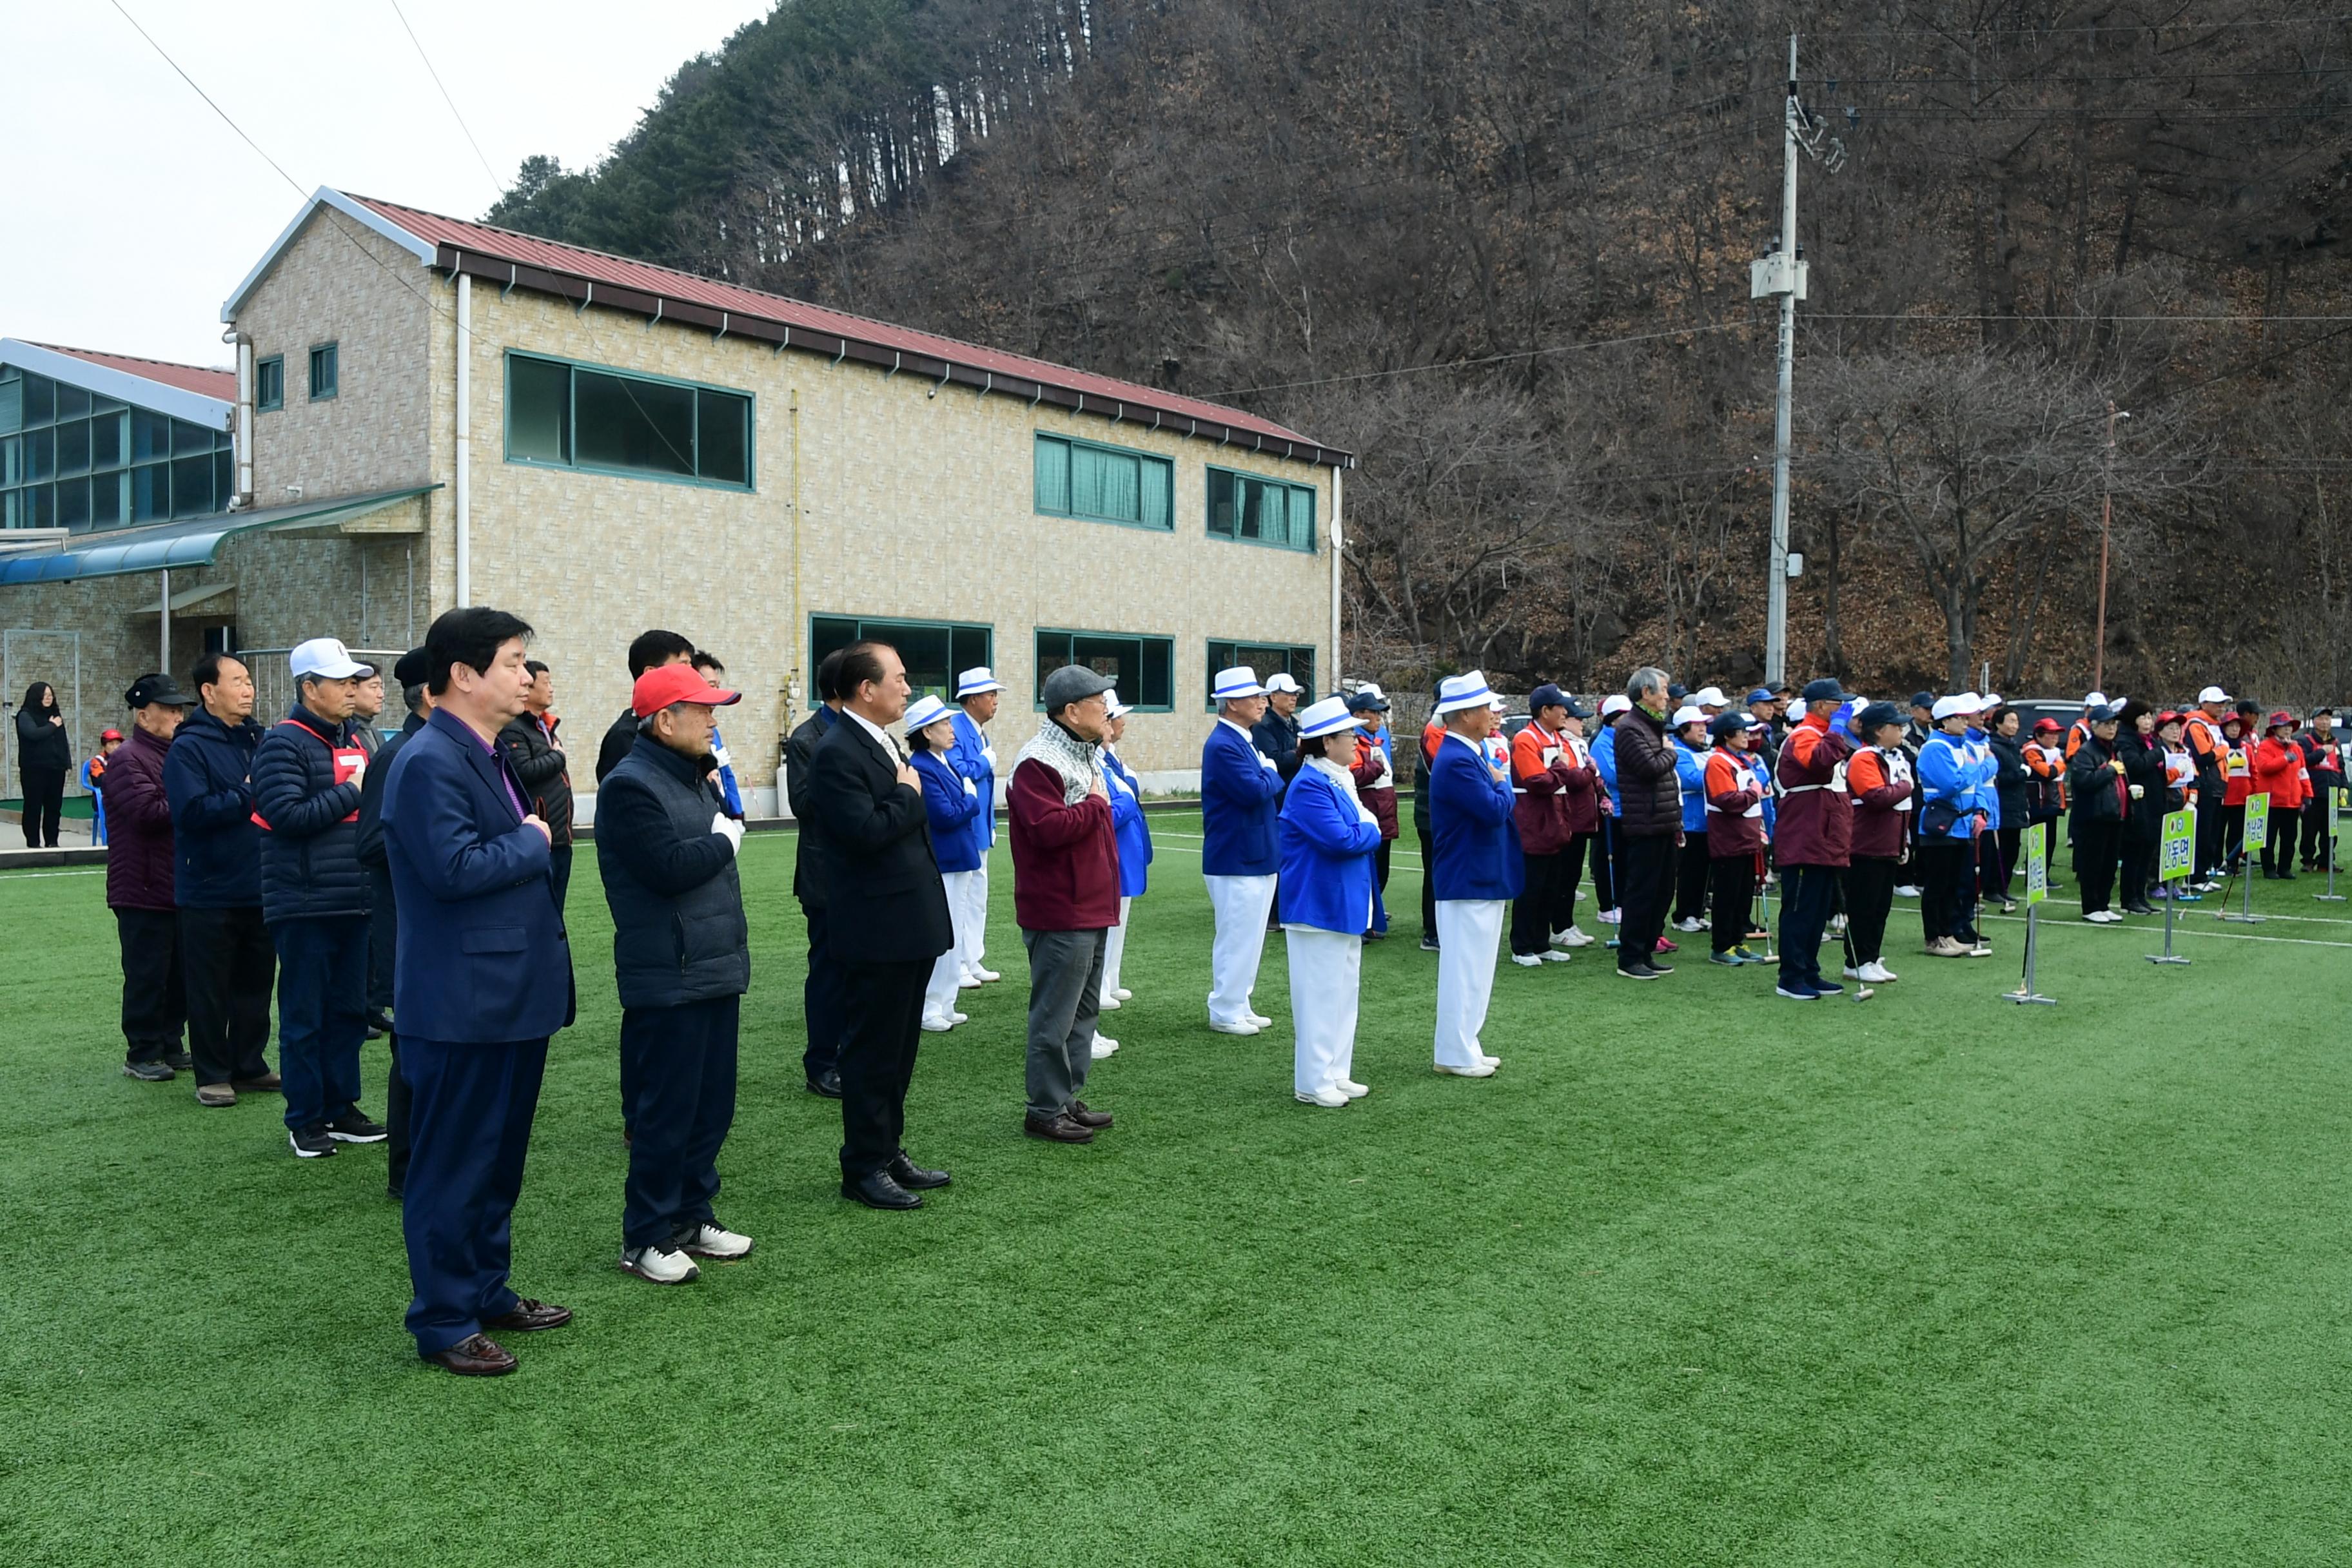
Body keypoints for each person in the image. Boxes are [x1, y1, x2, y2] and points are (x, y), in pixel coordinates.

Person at [382, 606, 573, 1376]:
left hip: (506, 995)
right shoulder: (429, 759)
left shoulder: (481, 749)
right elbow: (452, 869)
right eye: (514, 662)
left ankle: (487, 1289)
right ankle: (443, 1317)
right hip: (463, 1002)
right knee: (454, 1164)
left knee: (497, 1160)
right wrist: (530, 838)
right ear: (463, 674)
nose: (527, 676)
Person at [597, 660, 755, 1286]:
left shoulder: (692, 777)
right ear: (666, 719)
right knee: (667, 1112)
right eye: (704, 709)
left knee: (710, 1106)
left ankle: (691, 1214)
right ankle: (647, 1235)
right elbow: (665, 867)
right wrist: (723, 841)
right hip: (670, 973)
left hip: (711, 966)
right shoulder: (631, 784)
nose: (714, 720)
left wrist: (720, 831)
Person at [803, 641, 956, 1210]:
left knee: (900, 1047)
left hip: (905, 922)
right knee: (872, 1051)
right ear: (865, 689)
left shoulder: (878, 739)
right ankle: (863, 1165)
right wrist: (908, 793)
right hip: (877, 926)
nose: (907, 687)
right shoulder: (837, 751)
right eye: (898, 677)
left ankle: (889, 1150)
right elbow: (865, 831)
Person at [253, 638, 385, 1159]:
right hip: (303, 902)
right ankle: (304, 1118)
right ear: (309, 688)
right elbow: (285, 817)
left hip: (353, 897)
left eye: (354, 681)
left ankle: (341, 1106)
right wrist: (353, 792)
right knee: (306, 1016)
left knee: (349, 1012)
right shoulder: (282, 743)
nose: (352, 691)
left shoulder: (354, 735)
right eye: (341, 682)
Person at [1006, 665, 1122, 1143]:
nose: (1108, 710)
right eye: (1100, 702)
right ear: (1072, 711)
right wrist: (1096, 805)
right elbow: (1048, 830)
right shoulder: (1039, 761)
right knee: (1055, 1015)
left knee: (1082, 1014)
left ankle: (1066, 1098)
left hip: (1089, 904)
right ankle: (1044, 1108)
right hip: (1061, 909)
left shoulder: (1085, 751)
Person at [165, 652, 277, 1108]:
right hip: (209, 888)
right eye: (237, 681)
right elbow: (191, 813)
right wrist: (248, 791)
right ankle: (212, 1074)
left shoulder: (261, 739)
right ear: (209, 692)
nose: (248, 689)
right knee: (210, 988)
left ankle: (249, 1064)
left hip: (261, 882)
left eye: (249, 681)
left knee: (256, 984)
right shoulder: (188, 748)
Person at [1281, 696, 1384, 1106]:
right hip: (1317, 905)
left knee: (1343, 993)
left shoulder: (1335, 778)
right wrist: (1370, 828)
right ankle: (1312, 1080)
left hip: (1342, 904)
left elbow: (1355, 830)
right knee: (1320, 997)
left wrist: (1365, 827)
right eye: (1349, 735)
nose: (1357, 741)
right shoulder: (1309, 785)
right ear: (1327, 742)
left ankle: (1336, 1072)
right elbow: (1344, 839)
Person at [357, 649, 430, 1198]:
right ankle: (406, 1173)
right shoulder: (402, 754)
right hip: (409, 929)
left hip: (434, 929)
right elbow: (373, 844)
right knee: (413, 1051)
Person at [1426, 671, 1520, 1073]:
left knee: (1477, 968)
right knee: (1465, 969)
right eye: (1485, 707)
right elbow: (1495, 809)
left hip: (1479, 875)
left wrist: (1498, 783)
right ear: (1465, 714)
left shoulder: (1466, 753)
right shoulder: (1457, 758)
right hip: (1468, 877)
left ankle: (1466, 1043)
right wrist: (1504, 784)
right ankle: (1454, 1051)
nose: (1492, 713)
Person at [106, 675, 191, 1081]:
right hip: (140, 888)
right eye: (170, 709)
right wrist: (193, 795)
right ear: (144, 715)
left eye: (179, 708)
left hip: (172, 884)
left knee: (178, 973)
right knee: (147, 975)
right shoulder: (127, 759)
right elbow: (148, 813)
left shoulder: (171, 754)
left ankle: (170, 1045)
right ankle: (141, 1051)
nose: (178, 715)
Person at [1200, 666, 1284, 1033]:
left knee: (1250, 935)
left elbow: (1265, 782)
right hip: (1235, 856)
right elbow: (1255, 790)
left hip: (1255, 852)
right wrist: (1270, 771)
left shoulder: (1242, 740)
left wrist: (1268, 771)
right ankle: (1225, 1007)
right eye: (1254, 696)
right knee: (1236, 935)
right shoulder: (1223, 744)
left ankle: (1240, 1000)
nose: (1261, 702)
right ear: (1231, 703)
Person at [785, 648, 848, 1097]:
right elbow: (803, 804)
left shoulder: (870, 734)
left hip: (866, 874)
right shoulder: (809, 737)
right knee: (828, 969)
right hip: (827, 875)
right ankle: (822, 1062)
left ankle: (850, 1053)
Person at [905, 694, 984, 1035]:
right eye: (944, 724)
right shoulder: (922, 766)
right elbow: (945, 815)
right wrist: (971, 799)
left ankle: (946, 1002)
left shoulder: (942, 761)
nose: (951, 730)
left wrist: (965, 799)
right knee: (943, 933)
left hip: (958, 858)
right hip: (946, 861)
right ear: (926, 732)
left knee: (954, 931)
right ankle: (931, 1005)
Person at [1773, 678, 1856, 996]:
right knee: (1799, 908)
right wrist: (1837, 730)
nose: (1843, 710)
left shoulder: (1823, 735)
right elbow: (1819, 762)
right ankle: (1791, 976)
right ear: (1821, 706)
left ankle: (1809, 969)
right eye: (1837, 704)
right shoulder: (1804, 735)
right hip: (1805, 835)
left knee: (1819, 908)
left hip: (1824, 836)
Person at [1507, 683, 1591, 966]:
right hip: (1534, 820)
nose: (1565, 712)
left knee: (1550, 886)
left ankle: (1541, 942)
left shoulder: (1558, 738)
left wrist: (1565, 770)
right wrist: (1561, 768)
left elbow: (1572, 776)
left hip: (1556, 820)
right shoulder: (1525, 739)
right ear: (1545, 711)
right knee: (1531, 886)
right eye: (1560, 707)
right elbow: (1537, 782)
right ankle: (1521, 947)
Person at [1612, 669, 1682, 979]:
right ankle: (1630, 957)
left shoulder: (1650, 726)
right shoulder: (1630, 728)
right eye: (1663, 690)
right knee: (1642, 890)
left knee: (1662, 889)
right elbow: (1649, 768)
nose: (1667, 697)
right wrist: (1670, 753)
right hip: (1646, 821)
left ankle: (1646, 950)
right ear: (1646, 692)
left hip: (1663, 820)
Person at [1097, 692, 1154, 1052]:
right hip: (1112, 849)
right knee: (1108, 924)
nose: (1119, 724)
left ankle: (1110, 979)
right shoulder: (1098, 760)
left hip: (1127, 847)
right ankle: (1100, 985)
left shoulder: (1110, 757)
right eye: (1114, 718)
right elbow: (1116, 804)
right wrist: (1128, 797)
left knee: (1119, 919)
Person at [1843, 703, 1914, 983]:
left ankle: (1871, 957)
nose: (1901, 731)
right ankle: (1856, 960)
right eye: (1895, 726)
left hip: (1888, 843)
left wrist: (1903, 841)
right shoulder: (1863, 759)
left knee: (1880, 907)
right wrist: (1906, 786)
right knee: (1864, 907)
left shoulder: (1897, 757)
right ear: (1879, 730)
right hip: (1866, 845)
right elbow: (1876, 797)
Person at [1916, 694, 1990, 956]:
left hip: (1963, 824)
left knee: (1953, 884)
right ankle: (1933, 938)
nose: (1966, 722)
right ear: (1945, 721)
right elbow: (1951, 784)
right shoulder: (1935, 747)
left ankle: (1948, 933)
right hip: (1941, 824)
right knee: (1937, 884)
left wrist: (1981, 811)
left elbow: (1978, 782)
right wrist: (1977, 766)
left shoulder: (1965, 746)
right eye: (1960, 717)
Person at [500, 659, 575, 916]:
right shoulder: (514, 728)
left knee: (556, 910)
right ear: (529, 688)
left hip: (560, 836)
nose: (551, 689)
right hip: (540, 837)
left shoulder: (545, 725)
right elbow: (523, 771)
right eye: (546, 683)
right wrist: (558, 757)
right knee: (539, 912)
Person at [947, 665, 1006, 986]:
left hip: (979, 827)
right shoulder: (957, 728)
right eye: (990, 694)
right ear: (971, 700)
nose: (995, 701)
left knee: (977, 894)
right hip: (963, 826)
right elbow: (959, 771)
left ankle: (972, 958)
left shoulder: (978, 731)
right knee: (963, 895)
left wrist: (992, 822)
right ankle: (957, 964)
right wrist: (986, 762)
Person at [1700, 712, 1767, 966]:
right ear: (1728, 735)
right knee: (1727, 895)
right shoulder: (1718, 762)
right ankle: (1721, 945)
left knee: (1742, 895)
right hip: (1729, 838)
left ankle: (1737, 940)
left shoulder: (1739, 760)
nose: (1747, 736)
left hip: (1746, 838)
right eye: (1742, 732)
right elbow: (1726, 800)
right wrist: (1753, 793)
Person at [596, 629, 696, 785]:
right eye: (683, 666)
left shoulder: (682, 727)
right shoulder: (625, 737)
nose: (693, 675)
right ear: (650, 673)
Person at [2066, 703, 2130, 921]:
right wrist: (2109, 770)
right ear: (2095, 727)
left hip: (2115, 815)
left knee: (2110, 864)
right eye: (2106, 724)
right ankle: (2090, 907)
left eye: (2114, 724)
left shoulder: (2115, 749)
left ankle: (2103, 904)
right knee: (2093, 863)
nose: (2112, 728)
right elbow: (2084, 781)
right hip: (2094, 817)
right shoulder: (2086, 752)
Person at [1347, 687, 1400, 939]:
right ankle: (1362, 922)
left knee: (1381, 870)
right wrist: (1375, 768)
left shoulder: (1376, 738)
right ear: (1359, 715)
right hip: (1370, 812)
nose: (1379, 718)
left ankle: (1371, 917)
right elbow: (1353, 776)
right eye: (1374, 713)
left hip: (1383, 811)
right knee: (1370, 870)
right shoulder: (1354, 742)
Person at [2112, 701, 2166, 916]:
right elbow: (2135, 766)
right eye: (2143, 717)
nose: (2148, 722)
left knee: (2147, 852)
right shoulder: (2126, 741)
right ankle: (2129, 898)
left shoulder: (2150, 741)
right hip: (2137, 805)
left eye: (2150, 717)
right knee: (2135, 854)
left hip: (2153, 803)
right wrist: (2157, 754)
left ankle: (2141, 896)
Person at [1668, 706, 1711, 934]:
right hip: (1691, 820)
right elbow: (1692, 780)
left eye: (1704, 724)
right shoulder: (1679, 752)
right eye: (1697, 725)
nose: (1703, 729)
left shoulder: (1704, 751)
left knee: (1702, 871)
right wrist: (1718, 771)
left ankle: (1697, 912)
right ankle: (1683, 915)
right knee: (1689, 871)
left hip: (1706, 821)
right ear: (1684, 729)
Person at [2185, 687, 2233, 888]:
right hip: (2204, 784)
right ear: (2204, 704)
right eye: (2217, 703)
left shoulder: (2213, 725)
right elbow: (2205, 756)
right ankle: (2195, 876)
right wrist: (2225, 748)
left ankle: (2202, 874)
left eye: (2223, 703)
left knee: (2211, 833)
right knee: (2202, 832)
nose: (2222, 707)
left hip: (2215, 784)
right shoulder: (2196, 723)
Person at [2251, 711, 2308, 879]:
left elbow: (2303, 772)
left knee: (2290, 838)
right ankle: (2269, 868)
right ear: (2274, 729)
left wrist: (2308, 794)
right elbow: (2264, 768)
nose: (2288, 730)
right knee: (2269, 838)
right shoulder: (2265, 746)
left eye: (2289, 726)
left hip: (2292, 801)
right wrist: (2285, 759)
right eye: (2284, 727)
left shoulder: (2297, 748)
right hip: (2272, 801)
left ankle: (2285, 868)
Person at [1984, 705, 2030, 912]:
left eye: (2016, 722)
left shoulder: (2013, 745)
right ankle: (1992, 887)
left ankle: (2004, 886)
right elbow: (2000, 777)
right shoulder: (1993, 746)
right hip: (2001, 803)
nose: (2014, 726)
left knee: (2012, 848)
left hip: (2015, 803)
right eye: (2010, 721)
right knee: (1999, 848)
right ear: (1999, 723)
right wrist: (2023, 774)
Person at [690, 650, 747, 818]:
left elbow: (727, 773)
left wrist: (736, 814)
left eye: (717, 686)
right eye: (711, 686)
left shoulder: (714, 730)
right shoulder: (683, 733)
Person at [1589, 694, 1629, 926]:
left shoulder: (1626, 739)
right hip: (1611, 810)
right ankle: (1608, 905)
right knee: (1609, 858)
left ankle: (1621, 902)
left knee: (1624, 860)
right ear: (1614, 719)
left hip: (1629, 810)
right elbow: (1613, 776)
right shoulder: (1603, 742)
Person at [14, 681, 68, 847]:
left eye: (50, 695)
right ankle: (33, 842)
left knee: (54, 807)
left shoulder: (54, 714)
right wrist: (52, 725)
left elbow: (61, 741)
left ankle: (52, 841)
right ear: (36, 696)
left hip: (56, 768)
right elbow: (33, 734)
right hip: (34, 769)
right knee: (33, 806)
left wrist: (65, 762)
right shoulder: (25, 715)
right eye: (45, 695)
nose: (48, 698)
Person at [1412, 688, 1446, 949]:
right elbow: (1441, 769)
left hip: (1437, 813)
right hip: (1432, 815)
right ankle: (1432, 932)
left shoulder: (1442, 727)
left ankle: (1438, 928)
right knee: (1436, 873)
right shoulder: (1436, 729)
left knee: (1440, 872)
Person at [2298, 709, 2344, 872]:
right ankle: (2308, 861)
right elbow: (2304, 762)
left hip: (2332, 792)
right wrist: (2322, 751)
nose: (2325, 722)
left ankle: (2326, 861)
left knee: (2331, 830)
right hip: (2313, 792)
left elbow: (2341, 767)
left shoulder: (2336, 742)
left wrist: (2344, 787)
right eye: (2322, 719)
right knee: (2310, 829)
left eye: (2328, 719)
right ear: (2314, 721)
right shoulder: (2305, 741)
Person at [2217, 712, 2253, 874]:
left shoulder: (2247, 748)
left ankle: (2233, 863)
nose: (2234, 729)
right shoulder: (2219, 747)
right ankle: (2216, 863)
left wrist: (2254, 792)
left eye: (2237, 726)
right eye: (2231, 726)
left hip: (2243, 797)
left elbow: (2254, 771)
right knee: (2217, 833)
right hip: (2223, 796)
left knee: (2237, 832)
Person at [83, 729, 123, 845]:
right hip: (104, 798)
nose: (115, 747)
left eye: (118, 743)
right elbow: (100, 780)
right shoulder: (97, 761)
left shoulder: (126, 758)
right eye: (111, 744)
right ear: (104, 746)